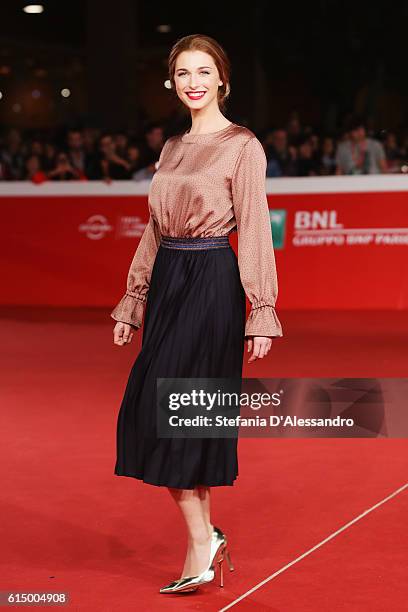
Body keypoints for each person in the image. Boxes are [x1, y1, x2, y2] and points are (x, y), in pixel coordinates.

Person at [110, 34, 283, 595]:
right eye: (183, 73)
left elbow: (255, 227)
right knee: (151, 411)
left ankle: (203, 545)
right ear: (173, 81)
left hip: (211, 282)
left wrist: (261, 309)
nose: (193, 82)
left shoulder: (243, 146)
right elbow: (155, 229)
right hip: (167, 284)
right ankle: (204, 539)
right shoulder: (172, 147)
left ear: (222, 78)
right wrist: (134, 299)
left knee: (178, 413)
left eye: (203, 71)